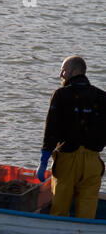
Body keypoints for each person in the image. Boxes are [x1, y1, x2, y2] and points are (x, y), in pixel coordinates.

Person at [36, 56, 106, 219]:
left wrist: (44, 160)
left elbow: (51, 130)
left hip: (67, 160)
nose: (61, 74)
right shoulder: (103, 97)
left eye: (64, 70)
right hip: (92, 162)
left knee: (60, 209)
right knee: (87, 211)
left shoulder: (61, 95)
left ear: (76, 71)